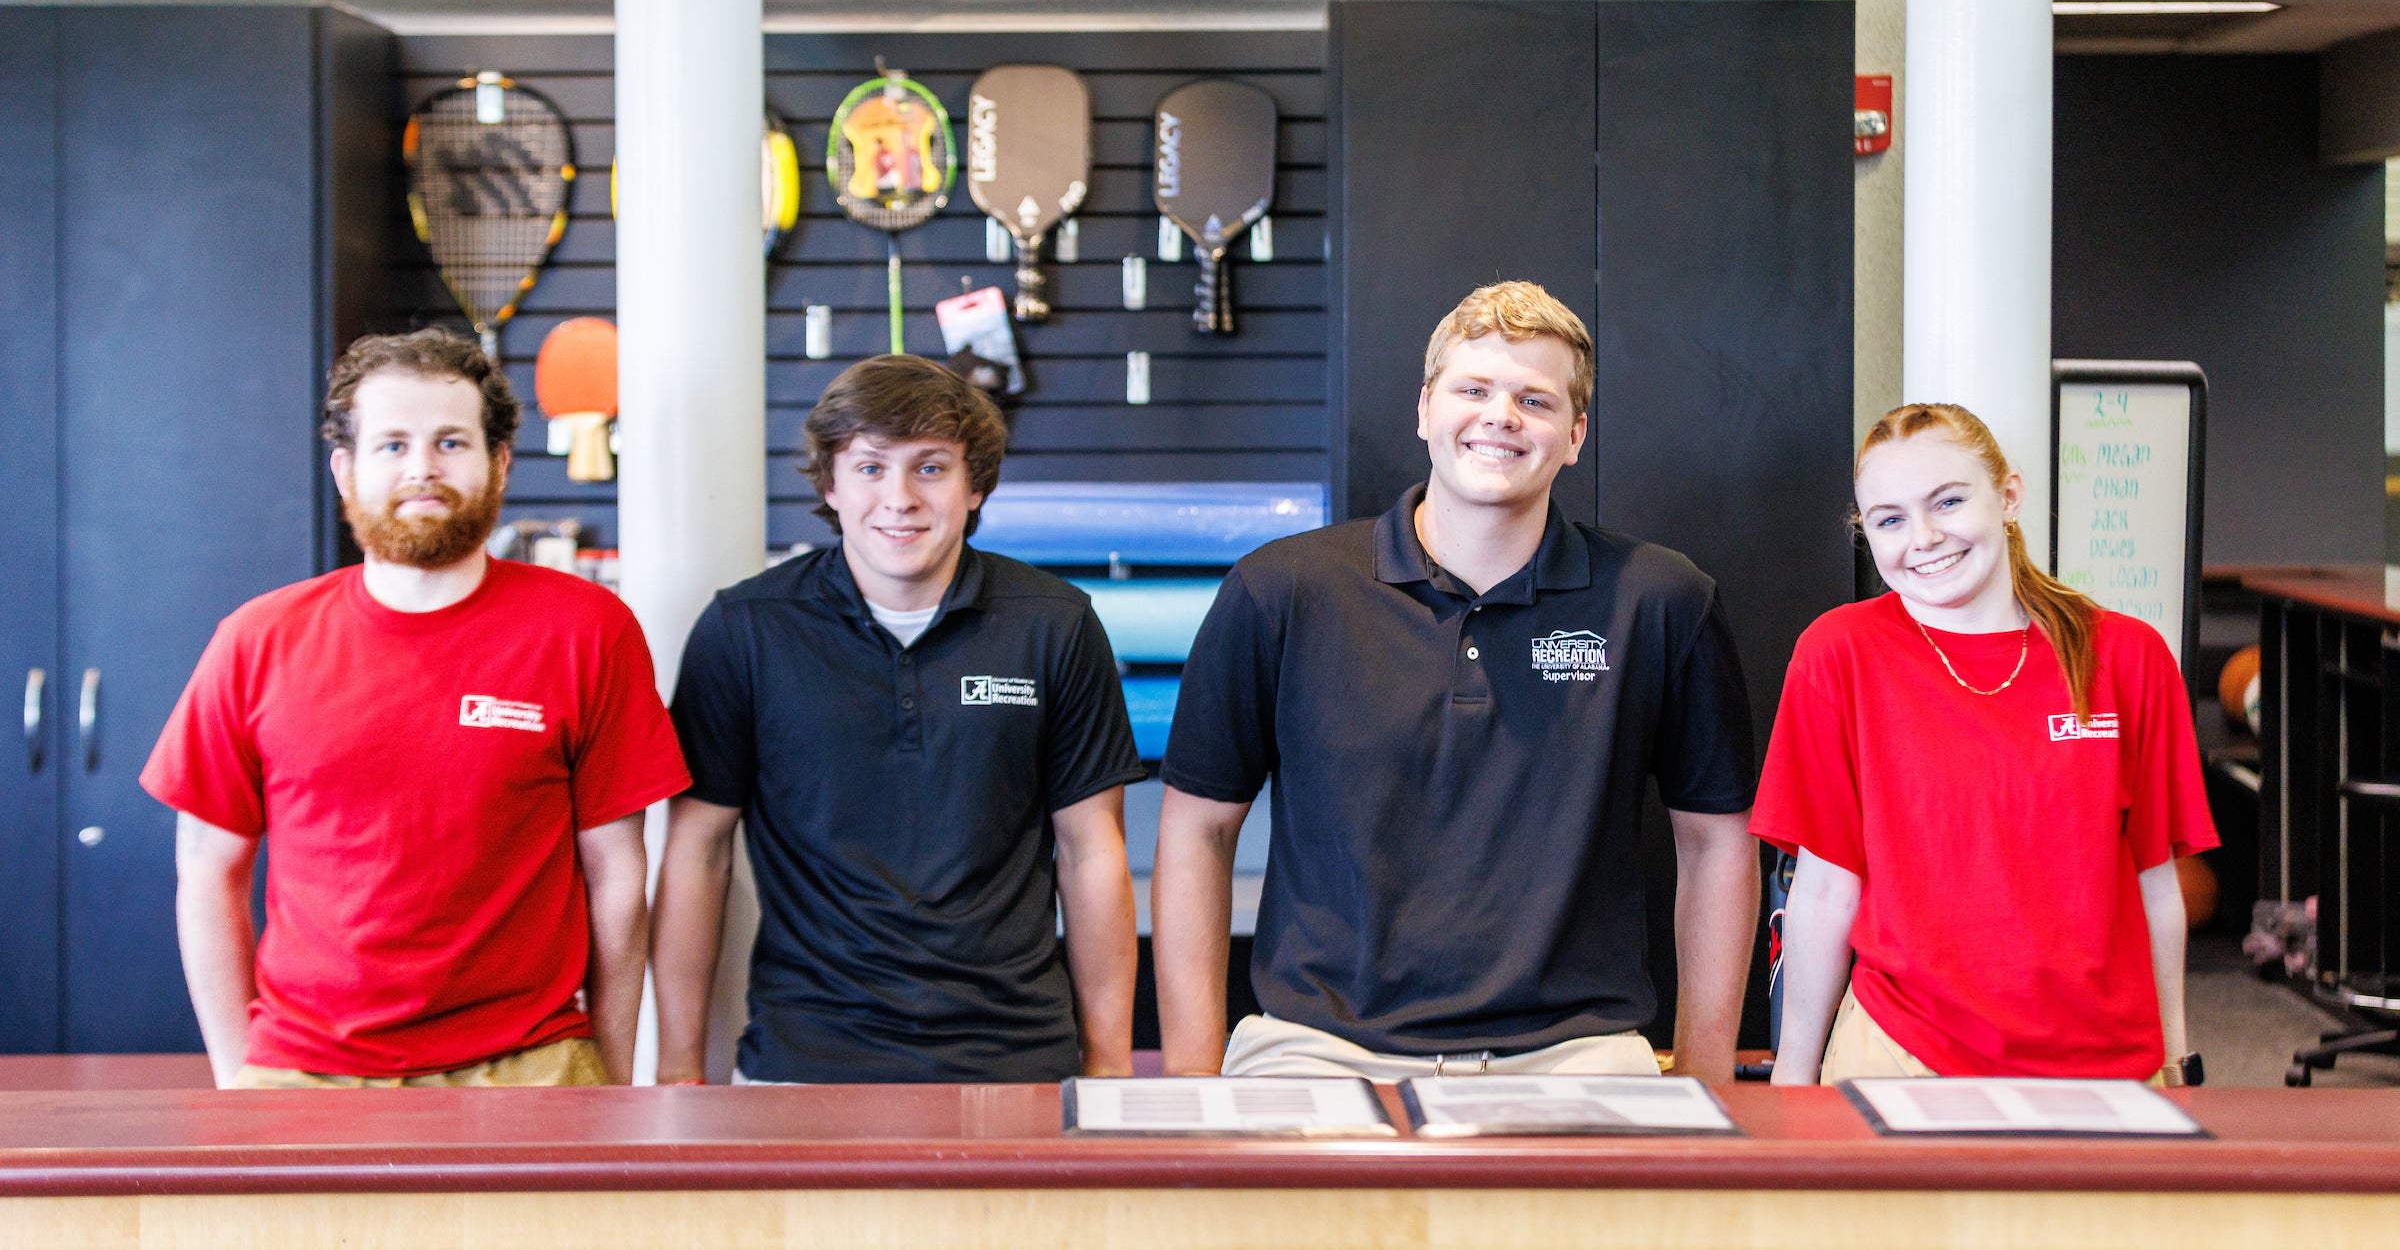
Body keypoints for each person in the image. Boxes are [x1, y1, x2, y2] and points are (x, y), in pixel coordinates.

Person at [1152, 281, 1760, 1081]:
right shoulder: (1281, 591)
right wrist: (1193, 1090)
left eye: (1534, 399)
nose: (1500, 415)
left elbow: (1718, 841)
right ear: (1425, 409)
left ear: (1575, 435)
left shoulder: (1662, 600)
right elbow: (1197, 830)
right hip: (1315, 1054)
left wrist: (1705, 1082)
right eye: (1473, 389)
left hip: (1575, 1059)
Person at [141, 329, 690, 1088]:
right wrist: (238, 1078)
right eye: (392, 444)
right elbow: (206, 869)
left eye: (451, 442)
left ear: (498, 463)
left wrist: (612, 1078)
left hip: (533, 1065)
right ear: (346, 469)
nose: (422, 468)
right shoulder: (255, 640)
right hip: (307, 1072)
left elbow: (619, 878)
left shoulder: (588, 632)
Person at [652, 354, 1145, 1084]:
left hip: (1015, 1059)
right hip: (805, 1062)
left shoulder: (1055, 624)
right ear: (830, 483)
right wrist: (678, 1070)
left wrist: (1109, 1066)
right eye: (872, 467)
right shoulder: (746, 629)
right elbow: (698, 852)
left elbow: (1092, 853)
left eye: (931, 467)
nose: (900, 497)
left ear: (975, 485)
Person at [1756, 402, 2217, 1086]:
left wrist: (2178, 1060)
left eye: (1947, 500)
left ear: (2008, 495)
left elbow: (2156, 884)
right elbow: (1824, 891)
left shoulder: (2127, 657)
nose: (1924, 537)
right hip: (1902, 1049)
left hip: (2103, 1062)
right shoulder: (1838, 655)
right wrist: (1792, 1079)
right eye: (1890, 519)